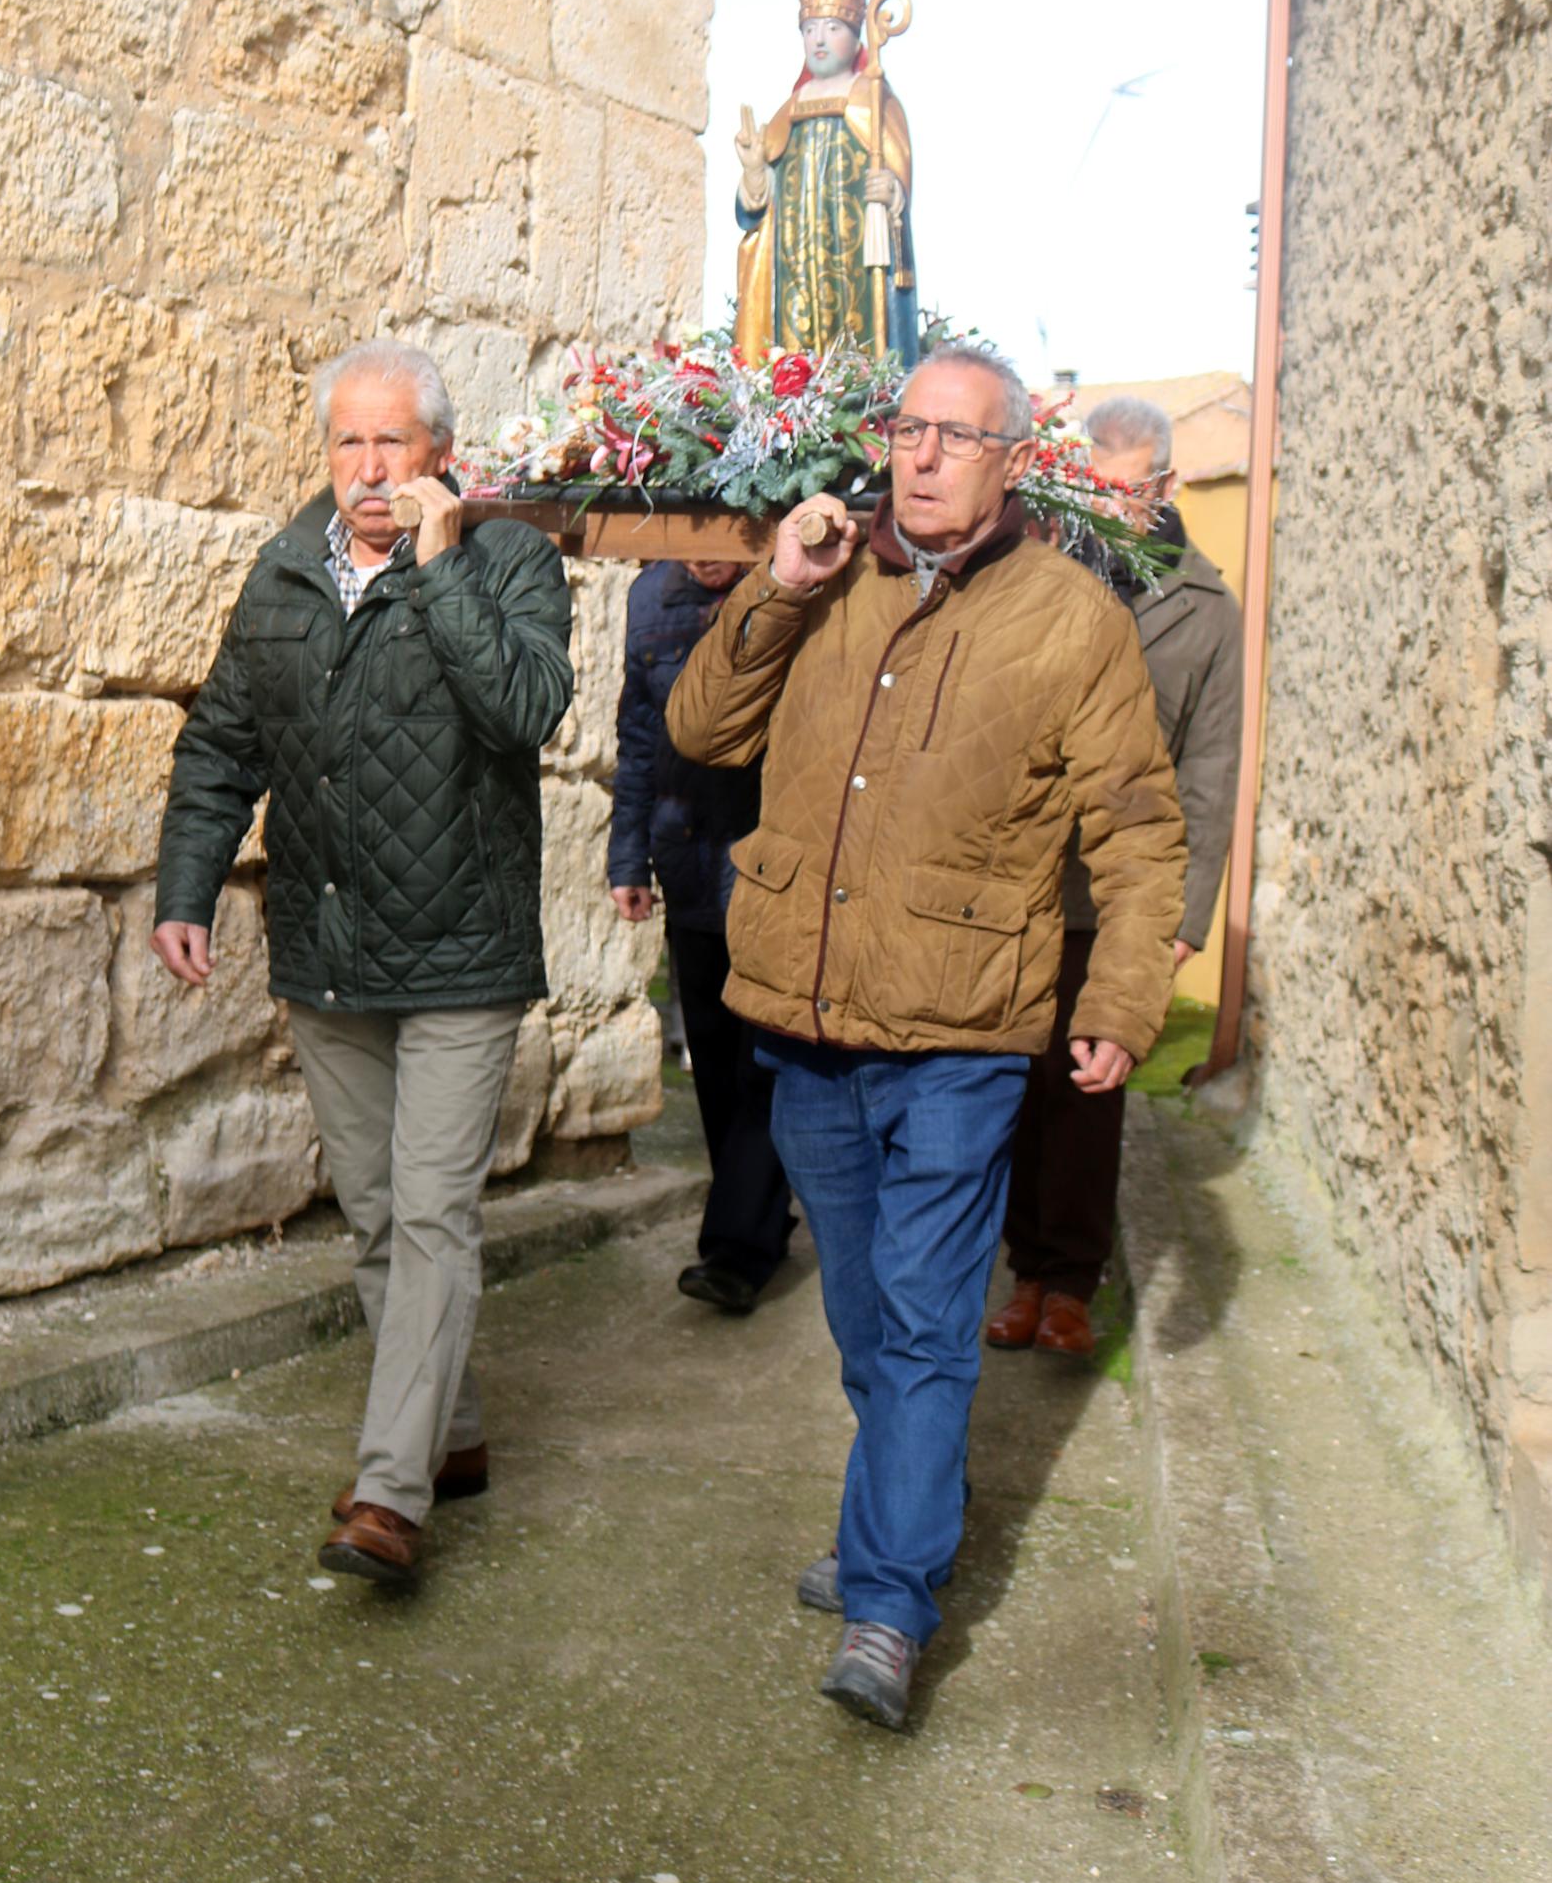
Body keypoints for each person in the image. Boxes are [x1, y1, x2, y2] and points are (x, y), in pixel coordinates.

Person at [665, 345, 1186, 1730]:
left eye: (957, 436)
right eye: (907, 430)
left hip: (962, 1033)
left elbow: (1138, 831)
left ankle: (891, 1603)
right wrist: (778, 587)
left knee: (928, 1322)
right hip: (807, 1019)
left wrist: (1121, 1002)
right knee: (862, 1317)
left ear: (1013, 458)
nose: (923, 457)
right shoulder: (826, 574)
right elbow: (700, 730)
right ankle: (884, 1520)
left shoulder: (1073, 618)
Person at [151, 342, 574, 1593]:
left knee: (434, 1210)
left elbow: (523, 708)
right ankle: (449, 1434)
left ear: (440, 452)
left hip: (461, 950)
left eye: (394, 443)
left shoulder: (507, 558)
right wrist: (186, 887)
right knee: (381, 1214)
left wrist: (441, 570)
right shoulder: (285, 570)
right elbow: (223, 739)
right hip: (329, 950)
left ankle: (389, 1493)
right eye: (349, 442)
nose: (370, 467)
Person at [990, 394, 1244, 1357]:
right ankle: (1021, 1270)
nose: (1107, 511)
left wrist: (1186, 912)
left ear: (1166, 486)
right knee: (1014, 1081)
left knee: (1089, 1091)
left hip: (1120, 892)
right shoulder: (1040, 570)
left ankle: (1070, 1283)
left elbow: (1209, 771)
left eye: (1126, 494)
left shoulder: (1207, 609)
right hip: (1021, 874)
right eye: (1090, 490)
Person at [608, 559, 795, 1315]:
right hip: (686, 856)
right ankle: (752, 1217)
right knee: (714, 1065)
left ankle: (735, 1247)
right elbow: (639, 737)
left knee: (764, 1064)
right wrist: (628, 856)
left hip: (772, 865)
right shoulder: (650, 594)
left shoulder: (796, 582)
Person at [731, 0, 917, 362]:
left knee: (858, 347)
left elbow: (900, 182)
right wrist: (756, 174)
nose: (818, 38)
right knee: (793, 350)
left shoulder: (876, 103)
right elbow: (758, 212)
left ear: (856, 36)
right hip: (794, 270)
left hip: (858, 265)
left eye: (832, 27)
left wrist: (892, 194)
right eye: (810, 28)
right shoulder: (787, 114)